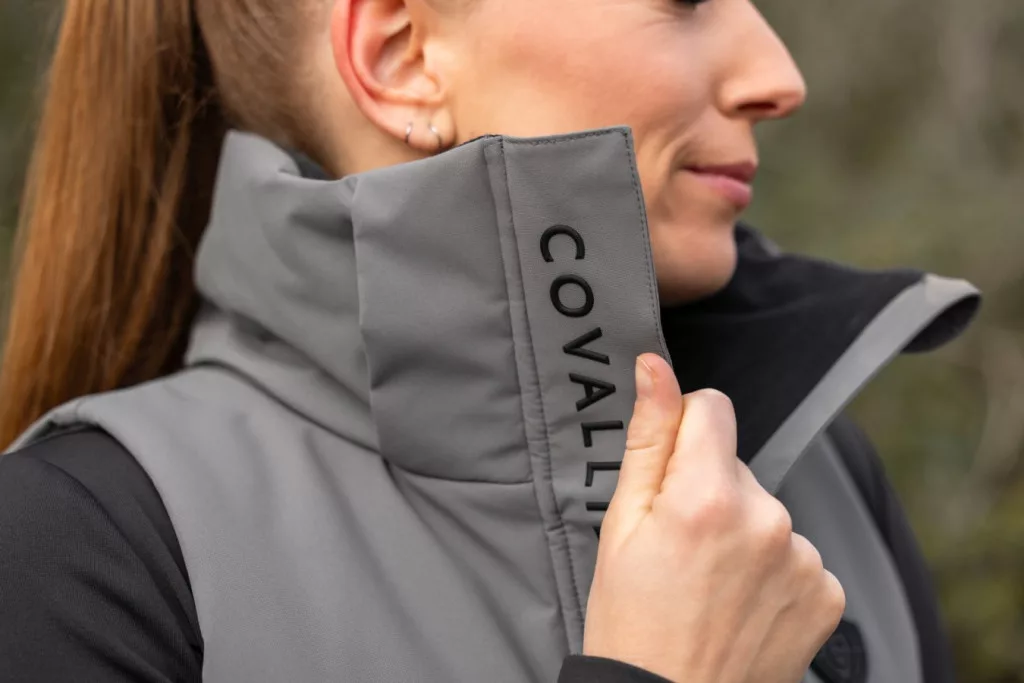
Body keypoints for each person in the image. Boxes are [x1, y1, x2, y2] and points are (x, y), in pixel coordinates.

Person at [0, 1, 980, 682]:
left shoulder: (823, 476)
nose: (779, 77)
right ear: (403, 57)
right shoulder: (82, 551)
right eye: (685, 1)